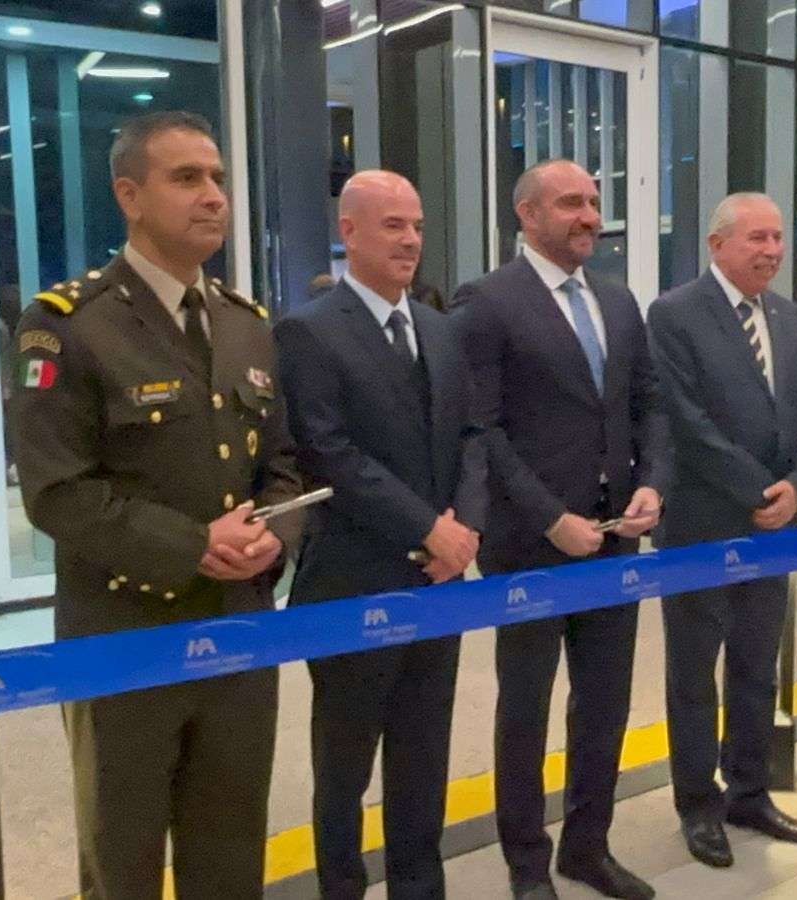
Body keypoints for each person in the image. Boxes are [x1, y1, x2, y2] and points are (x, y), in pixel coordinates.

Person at [11, 110, 303, 899]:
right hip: (124, 637)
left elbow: (282, 466)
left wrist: (275, 535)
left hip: (239, 631)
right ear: (129, 196)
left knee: (231, 856)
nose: (213, 195)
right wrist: (191, 544)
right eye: (187, 178)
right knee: (124, 860)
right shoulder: (69, 326)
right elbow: (56, 491)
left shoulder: (246, 325)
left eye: (218, 178)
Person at [454, 159, 667, 900]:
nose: (590, 217)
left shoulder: (618, 301)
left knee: (604, 704)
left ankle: (587, 847)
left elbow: (649, 403)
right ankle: (526, 865)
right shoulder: (487, 302)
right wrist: (549, 517)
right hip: (529, 546)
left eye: (595, 202)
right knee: (526, 709)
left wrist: (651, 483)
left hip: (614, 539)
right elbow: (480, 429)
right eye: (572, 202)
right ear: (527, 214)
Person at [275, 170, 486, 899]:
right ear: (350, 232)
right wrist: (428, 528)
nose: (410, 240)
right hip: (353, 582)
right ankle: (341, 887)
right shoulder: (308, 331)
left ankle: (419, 887)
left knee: (423, 757)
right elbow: (329, 453)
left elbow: (471, 436)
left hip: (438, 582)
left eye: (417, 226)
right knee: (344, 766)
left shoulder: (439, 328)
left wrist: (464, 529)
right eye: (393, 225)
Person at [647, 193, 797, 869]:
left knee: (756, 667)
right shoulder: (675, 314)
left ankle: (750, 791)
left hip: (775, 527)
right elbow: (685, 420)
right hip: (703, 525)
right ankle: (698, 804)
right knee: (695, 675)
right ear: (717, 244)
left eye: (778, 238)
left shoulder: (787, 315)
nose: (772, 251)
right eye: (757, 238)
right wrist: (758, 491)